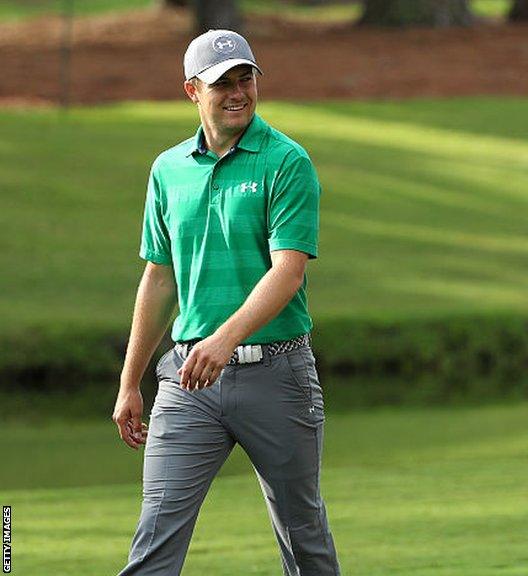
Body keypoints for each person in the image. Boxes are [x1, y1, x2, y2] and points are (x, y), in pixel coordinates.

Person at [111, 29, 341, 576]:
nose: (237, 93)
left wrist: (226, 337)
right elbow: (159, 276)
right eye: (222, 84)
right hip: (188, 381)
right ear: (192, 90)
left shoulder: (287, 161)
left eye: (245, 79)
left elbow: (287, 271)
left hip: (279, 376)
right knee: (156, 534)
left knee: (302, 534)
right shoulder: (167, 169)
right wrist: (129, 382)